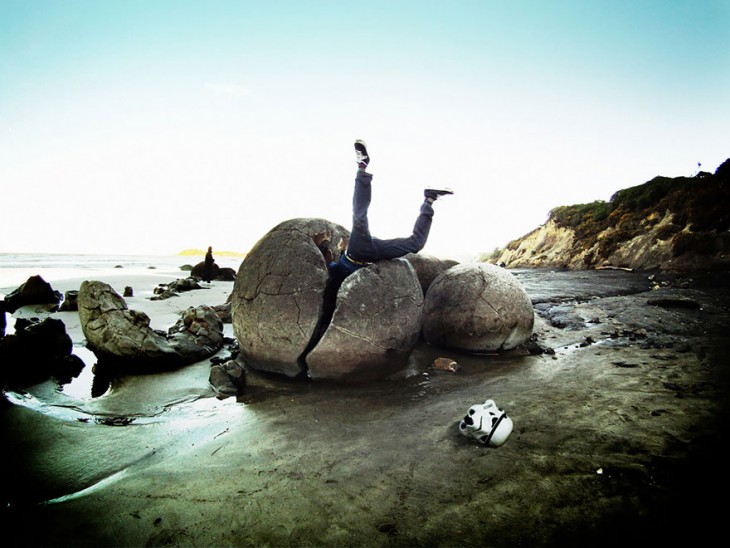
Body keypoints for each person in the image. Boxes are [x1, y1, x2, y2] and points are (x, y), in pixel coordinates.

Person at [327, 140, 453, 286]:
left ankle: (362, 165)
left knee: (359, 217)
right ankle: (430, 198)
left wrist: (326, 248)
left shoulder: (335, 270)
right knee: (415, 245)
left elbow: (329, 262)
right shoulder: (341, 284)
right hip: (376, 254)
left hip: (357, 249)